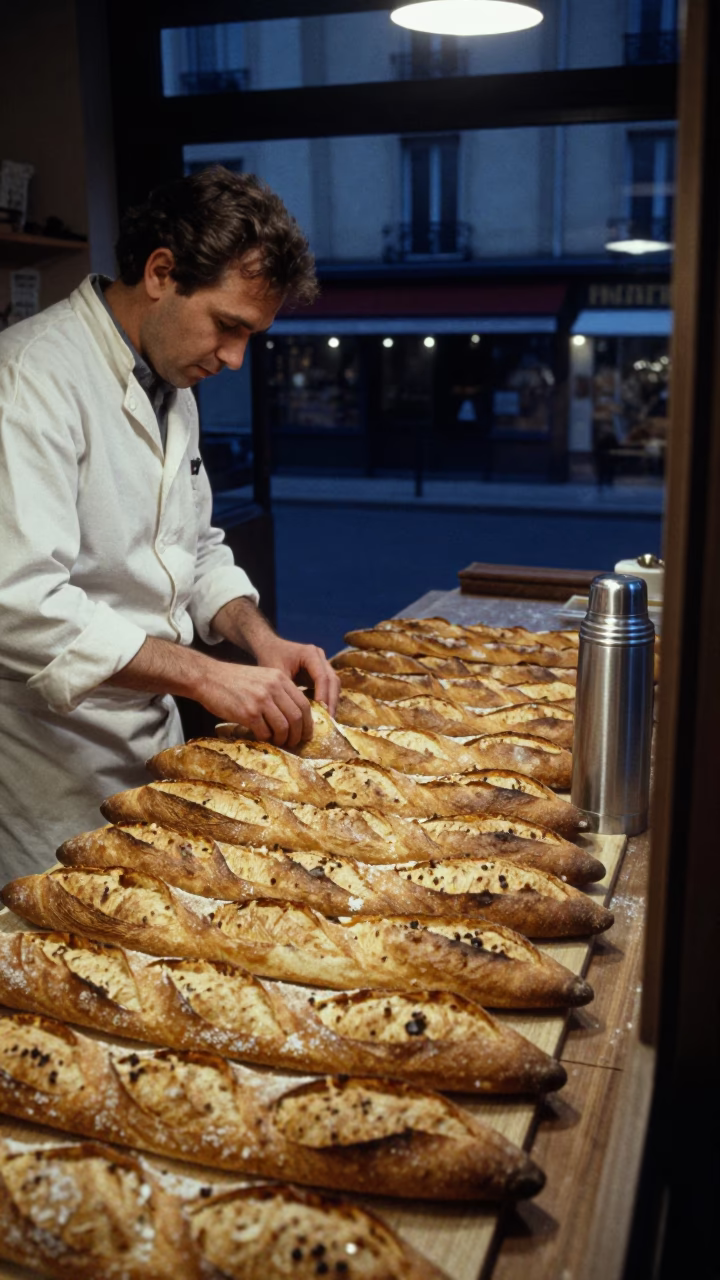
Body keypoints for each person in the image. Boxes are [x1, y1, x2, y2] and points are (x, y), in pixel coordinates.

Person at [0, 166, 340, 878]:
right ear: (161, 272)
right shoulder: (30, 378)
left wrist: (259, 640)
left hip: (149, 753)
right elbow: (19, 604)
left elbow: (195, 548)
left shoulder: (171, 381)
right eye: (228, 326)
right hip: (46, 776)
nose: (235, 358)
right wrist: (205, 678)